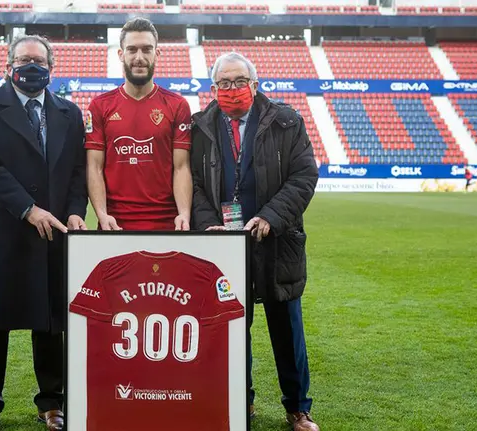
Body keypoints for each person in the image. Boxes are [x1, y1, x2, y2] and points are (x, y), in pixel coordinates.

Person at [189, 52, 320, 431]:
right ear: (213, 89)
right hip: (224, 244)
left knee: (287, 329)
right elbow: (193, 184)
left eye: (239, 81)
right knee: (231, 329)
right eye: (224, 83)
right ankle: (239, 402)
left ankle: (298, 408)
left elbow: (303, 176)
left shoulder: (286, 121)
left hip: (277, 241)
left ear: (255, 84)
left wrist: (270, 217)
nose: (233, 89)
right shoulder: (200, 126)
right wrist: (207, 222)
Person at [0, 34, 88, 431]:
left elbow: (76, 173)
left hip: (52, 231)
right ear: (8, 66)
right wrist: (28, 209)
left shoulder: (69, 112)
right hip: (3, 228)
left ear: (51, 67)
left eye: (39, 60)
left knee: (51, 322)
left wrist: (73, 212)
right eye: (24, 60)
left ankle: (52, 404)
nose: (31, 67)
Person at [85, 17, 193, 231]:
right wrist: (102, 214)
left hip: (166, 223)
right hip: (115, 226)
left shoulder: (177, 105)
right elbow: (94, 167)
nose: (139, 57)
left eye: (147, 49)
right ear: (120, 54)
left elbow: (181, 167)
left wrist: (184, 214)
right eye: (132, 49)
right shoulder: (99, 106)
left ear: (157, 54)